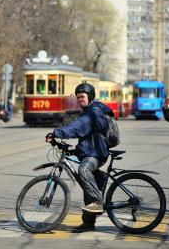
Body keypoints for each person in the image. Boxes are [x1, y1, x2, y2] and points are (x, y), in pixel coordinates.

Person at [45, 83, 114, 233]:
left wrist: (57, 133)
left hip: (96, 153)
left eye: (82, 97)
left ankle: (98, 202)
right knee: (87, 186)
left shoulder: (93, 112)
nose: (80, 100)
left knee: (83, 170)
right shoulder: (89, 111)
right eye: (78, 98)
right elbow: (88, 138)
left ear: (89, 97)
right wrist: (72, 150)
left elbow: (77, 127)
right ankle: (88, 223)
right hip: (92, 151)